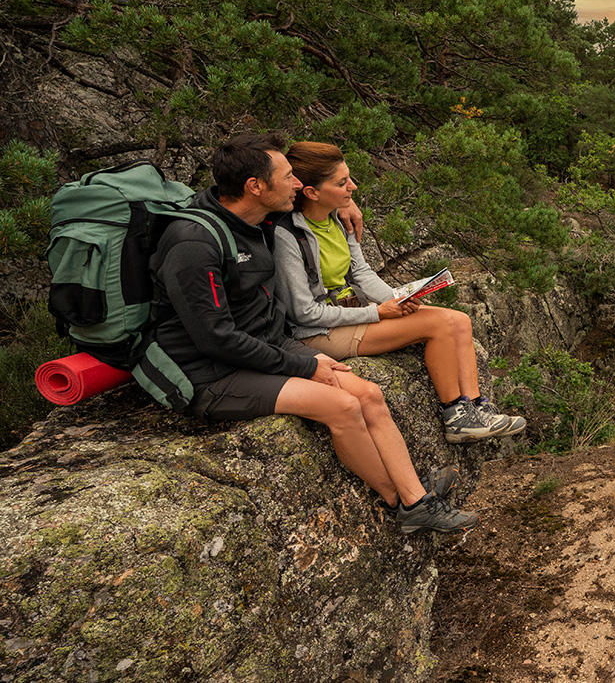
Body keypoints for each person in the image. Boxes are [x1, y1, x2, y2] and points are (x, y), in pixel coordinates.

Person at [147, 132, 476, 534]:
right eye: (289, 178)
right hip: (211, 373)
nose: (297, 186)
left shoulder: (255, 217)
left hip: (264, 345)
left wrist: (347, 203)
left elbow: (319, 196)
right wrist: (302, 364)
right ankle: (405, 502)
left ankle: (415, 496)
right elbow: (216, 338)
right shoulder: (193, 244)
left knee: (369, 393)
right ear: (255, 186)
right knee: (342, 406)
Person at [272, 141, 526, 444]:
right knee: (437, 325)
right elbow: (303, 312)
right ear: (311, 192)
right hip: (319, 331)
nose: (353, 186)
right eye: (342, 183)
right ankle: (456, 416)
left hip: (352, 315)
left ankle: (477, 409)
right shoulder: (287, 235)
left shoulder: (337, 219)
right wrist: (378, 312)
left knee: (458, 320)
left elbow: (362, 273)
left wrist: (398, 297)